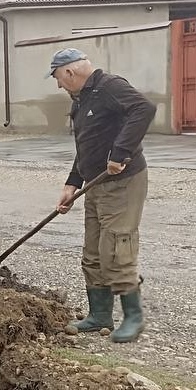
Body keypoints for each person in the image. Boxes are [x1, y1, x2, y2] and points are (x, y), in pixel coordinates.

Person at [49, 48, 155, 343]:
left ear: (69, 72)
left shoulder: (110, 87)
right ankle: (100, 315)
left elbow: (144, 109)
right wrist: (72, 183)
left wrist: (121, 152)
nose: (58, 85)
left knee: (116, 249)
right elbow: (88, 145)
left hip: (122, 182)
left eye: (58, 78)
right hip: (95, 184)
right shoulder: (82, 101)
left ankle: (133, 317)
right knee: (93, 252)